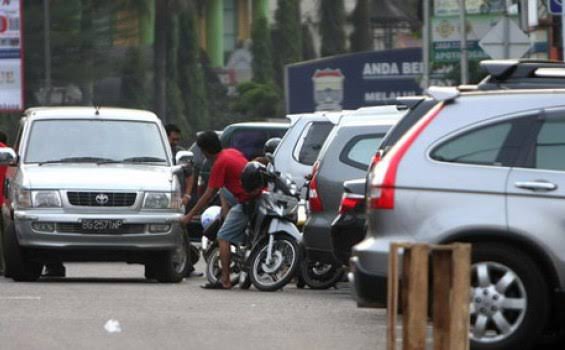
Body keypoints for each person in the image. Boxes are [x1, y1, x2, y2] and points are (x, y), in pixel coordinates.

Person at [180, 131, 262, 289]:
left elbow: (208, 195)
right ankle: (225, 215)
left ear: (205, 151)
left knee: (223, 236)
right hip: (256, 195)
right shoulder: (232, 152)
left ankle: (225, 280)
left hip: (247, 201)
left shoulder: (219, 163)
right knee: (223, 189)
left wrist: (189, 216)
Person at [165, 124, 202, 278]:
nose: (175, 142)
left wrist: (186, 195)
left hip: (175, 197)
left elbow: (189, 174)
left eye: (177, 140)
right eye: (173, 139)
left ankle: (186, 266)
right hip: (155, 196)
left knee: (180, 228)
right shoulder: (156, 152)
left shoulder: (180, 153)